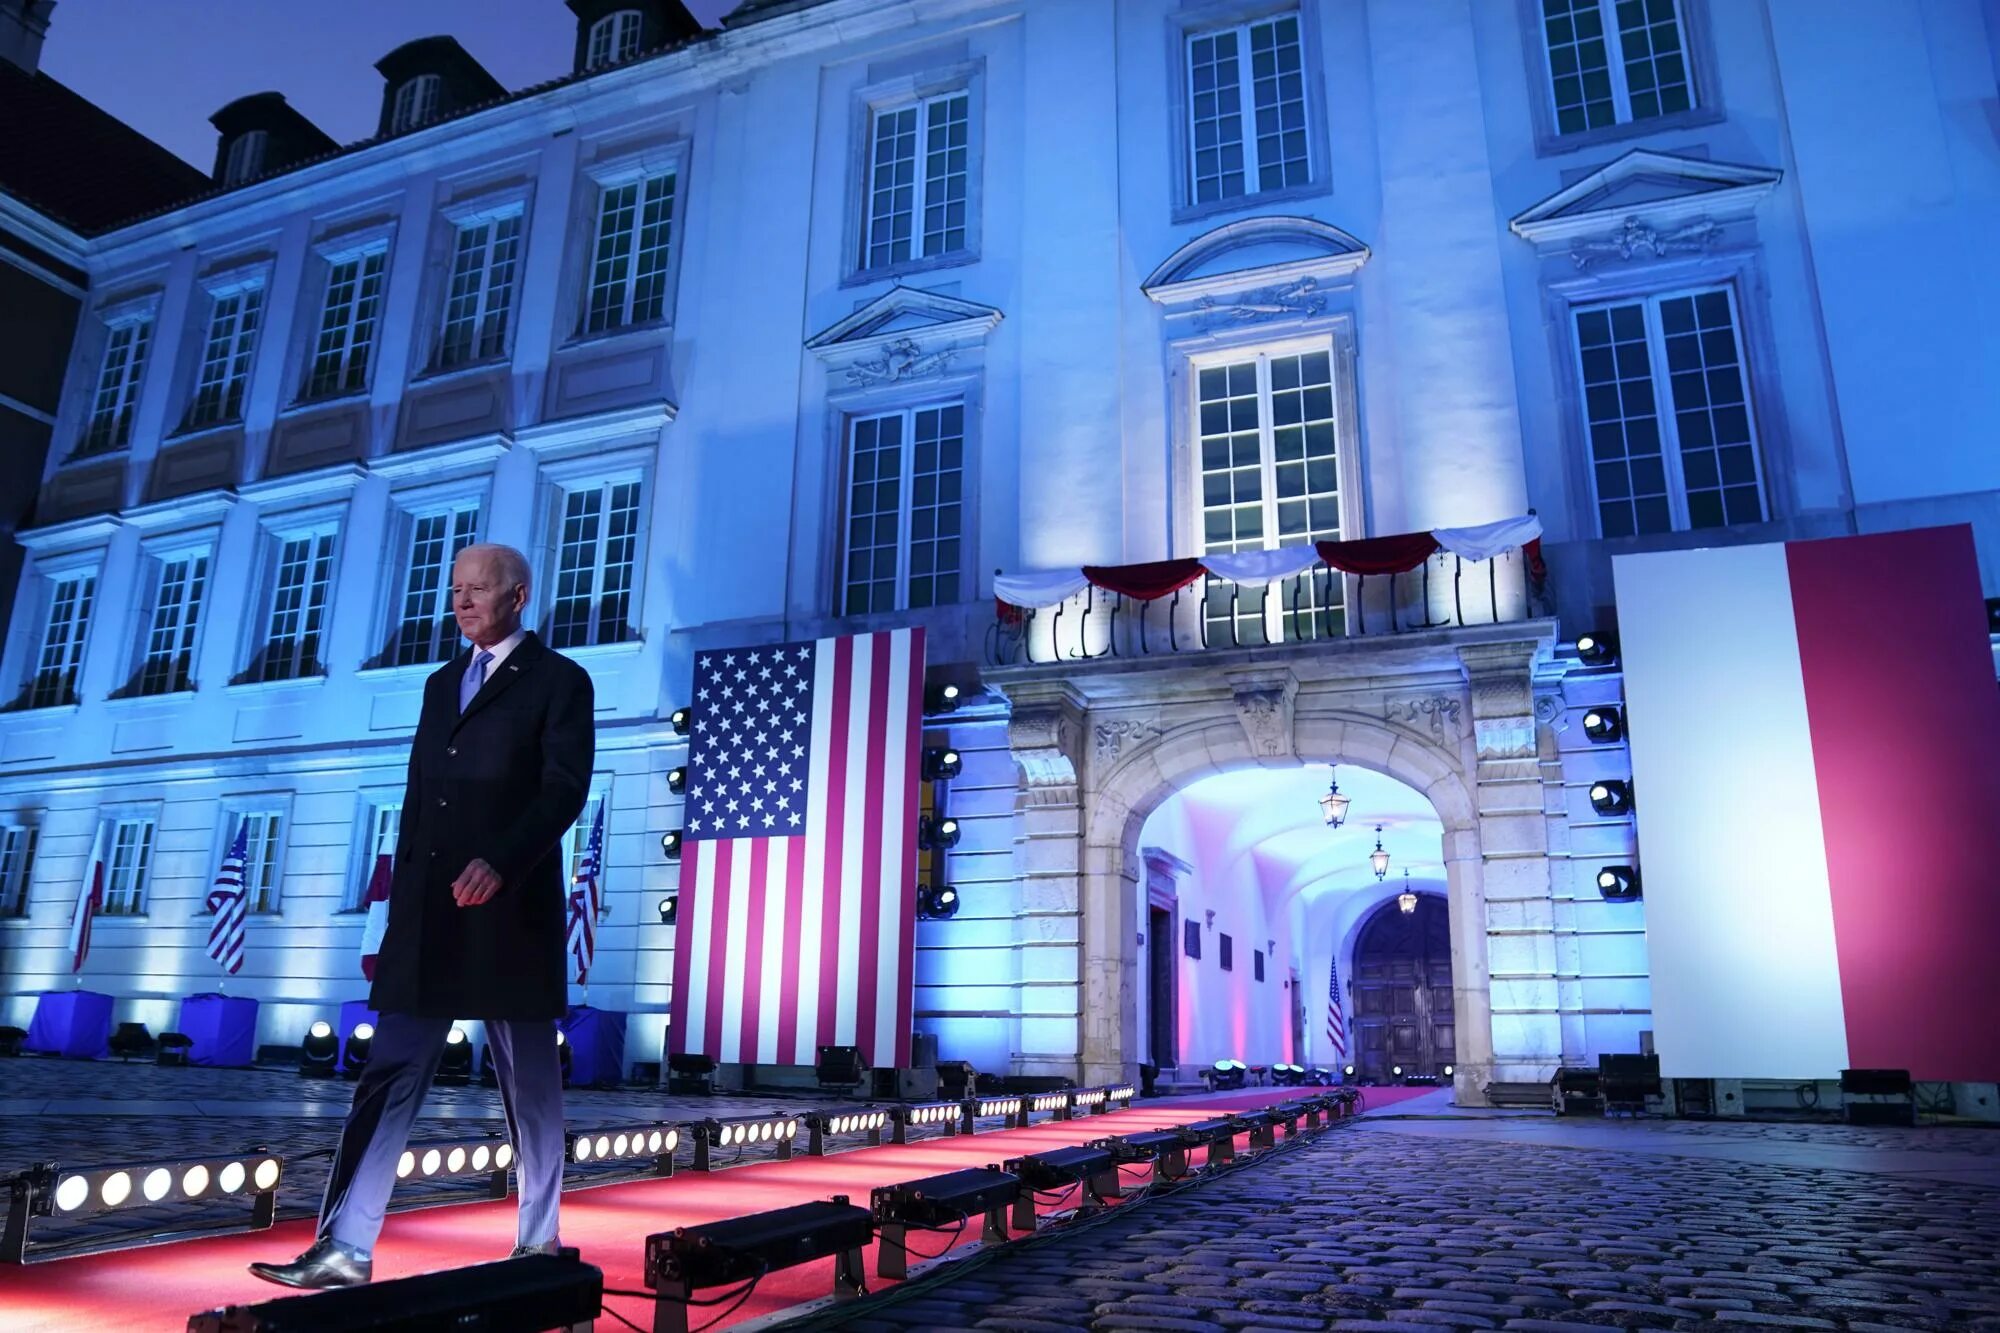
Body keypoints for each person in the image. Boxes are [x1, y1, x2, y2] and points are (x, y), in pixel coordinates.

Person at [251, 543, 595, 1288]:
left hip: (510, 912)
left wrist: (502, 861)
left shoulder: (561, 680)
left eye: (478, 589)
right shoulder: (441, 683)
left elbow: (563, 790)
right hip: (429, 916)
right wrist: (397, 906)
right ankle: (343, 1247)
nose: (462, 602)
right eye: (455, 590)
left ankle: (539, 1240)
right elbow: (419, 799)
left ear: (518, 596)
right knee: (386, 1075)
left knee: (531, 1089)